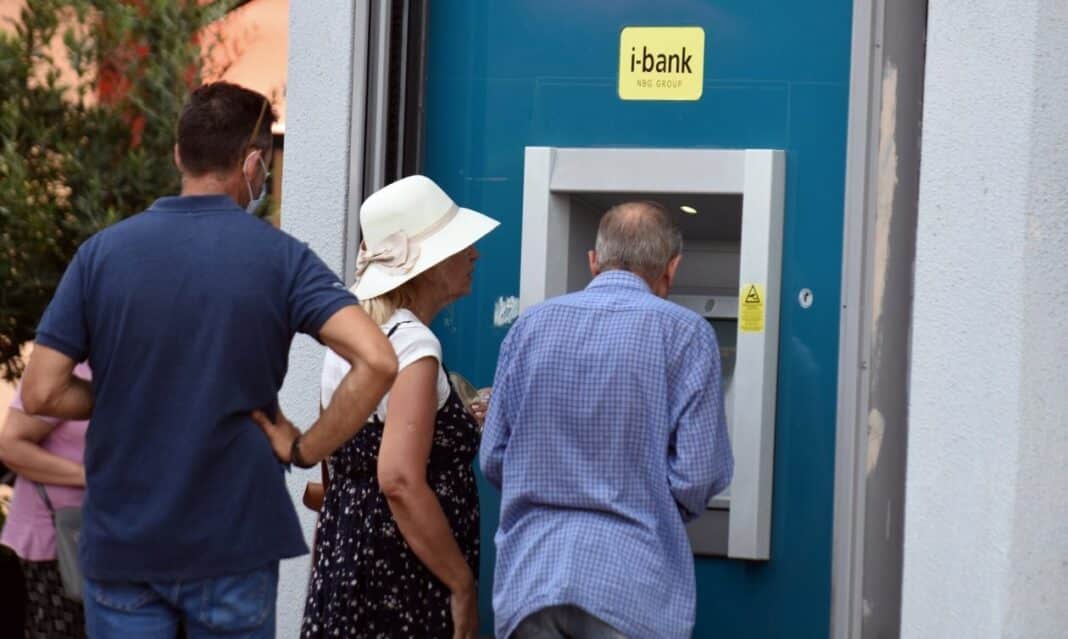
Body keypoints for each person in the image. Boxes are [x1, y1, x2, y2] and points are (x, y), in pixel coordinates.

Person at [19, 81, 398, 638]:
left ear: (179, 155)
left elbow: (41, 392)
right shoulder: (282, 259)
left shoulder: (100, 256)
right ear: (253, 163)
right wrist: (305, 447)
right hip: (234, 541)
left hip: (124, 542)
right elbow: (378, 360)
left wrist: (125, 390)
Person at [480, 201, 734, 639]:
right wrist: (646, 498)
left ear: (593, 260)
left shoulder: (530, 326)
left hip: (531, 578)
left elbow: (494, 456)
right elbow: (697, 475)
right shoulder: (688, 334)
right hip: (630, 582)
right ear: (672, 268)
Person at [290, 175, 498, 639]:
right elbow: (399, 480)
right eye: (459, 245)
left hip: (349, 559)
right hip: (404, 572)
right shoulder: (416, 345)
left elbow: (344, 455)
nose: (474, 255)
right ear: (428, 265)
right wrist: (461, 584)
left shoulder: (355, 340)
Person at [0, 363, 90, 638]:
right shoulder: (67, 368)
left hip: (106, 535)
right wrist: (95, 478)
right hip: (54, 541)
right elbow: (10, 447)